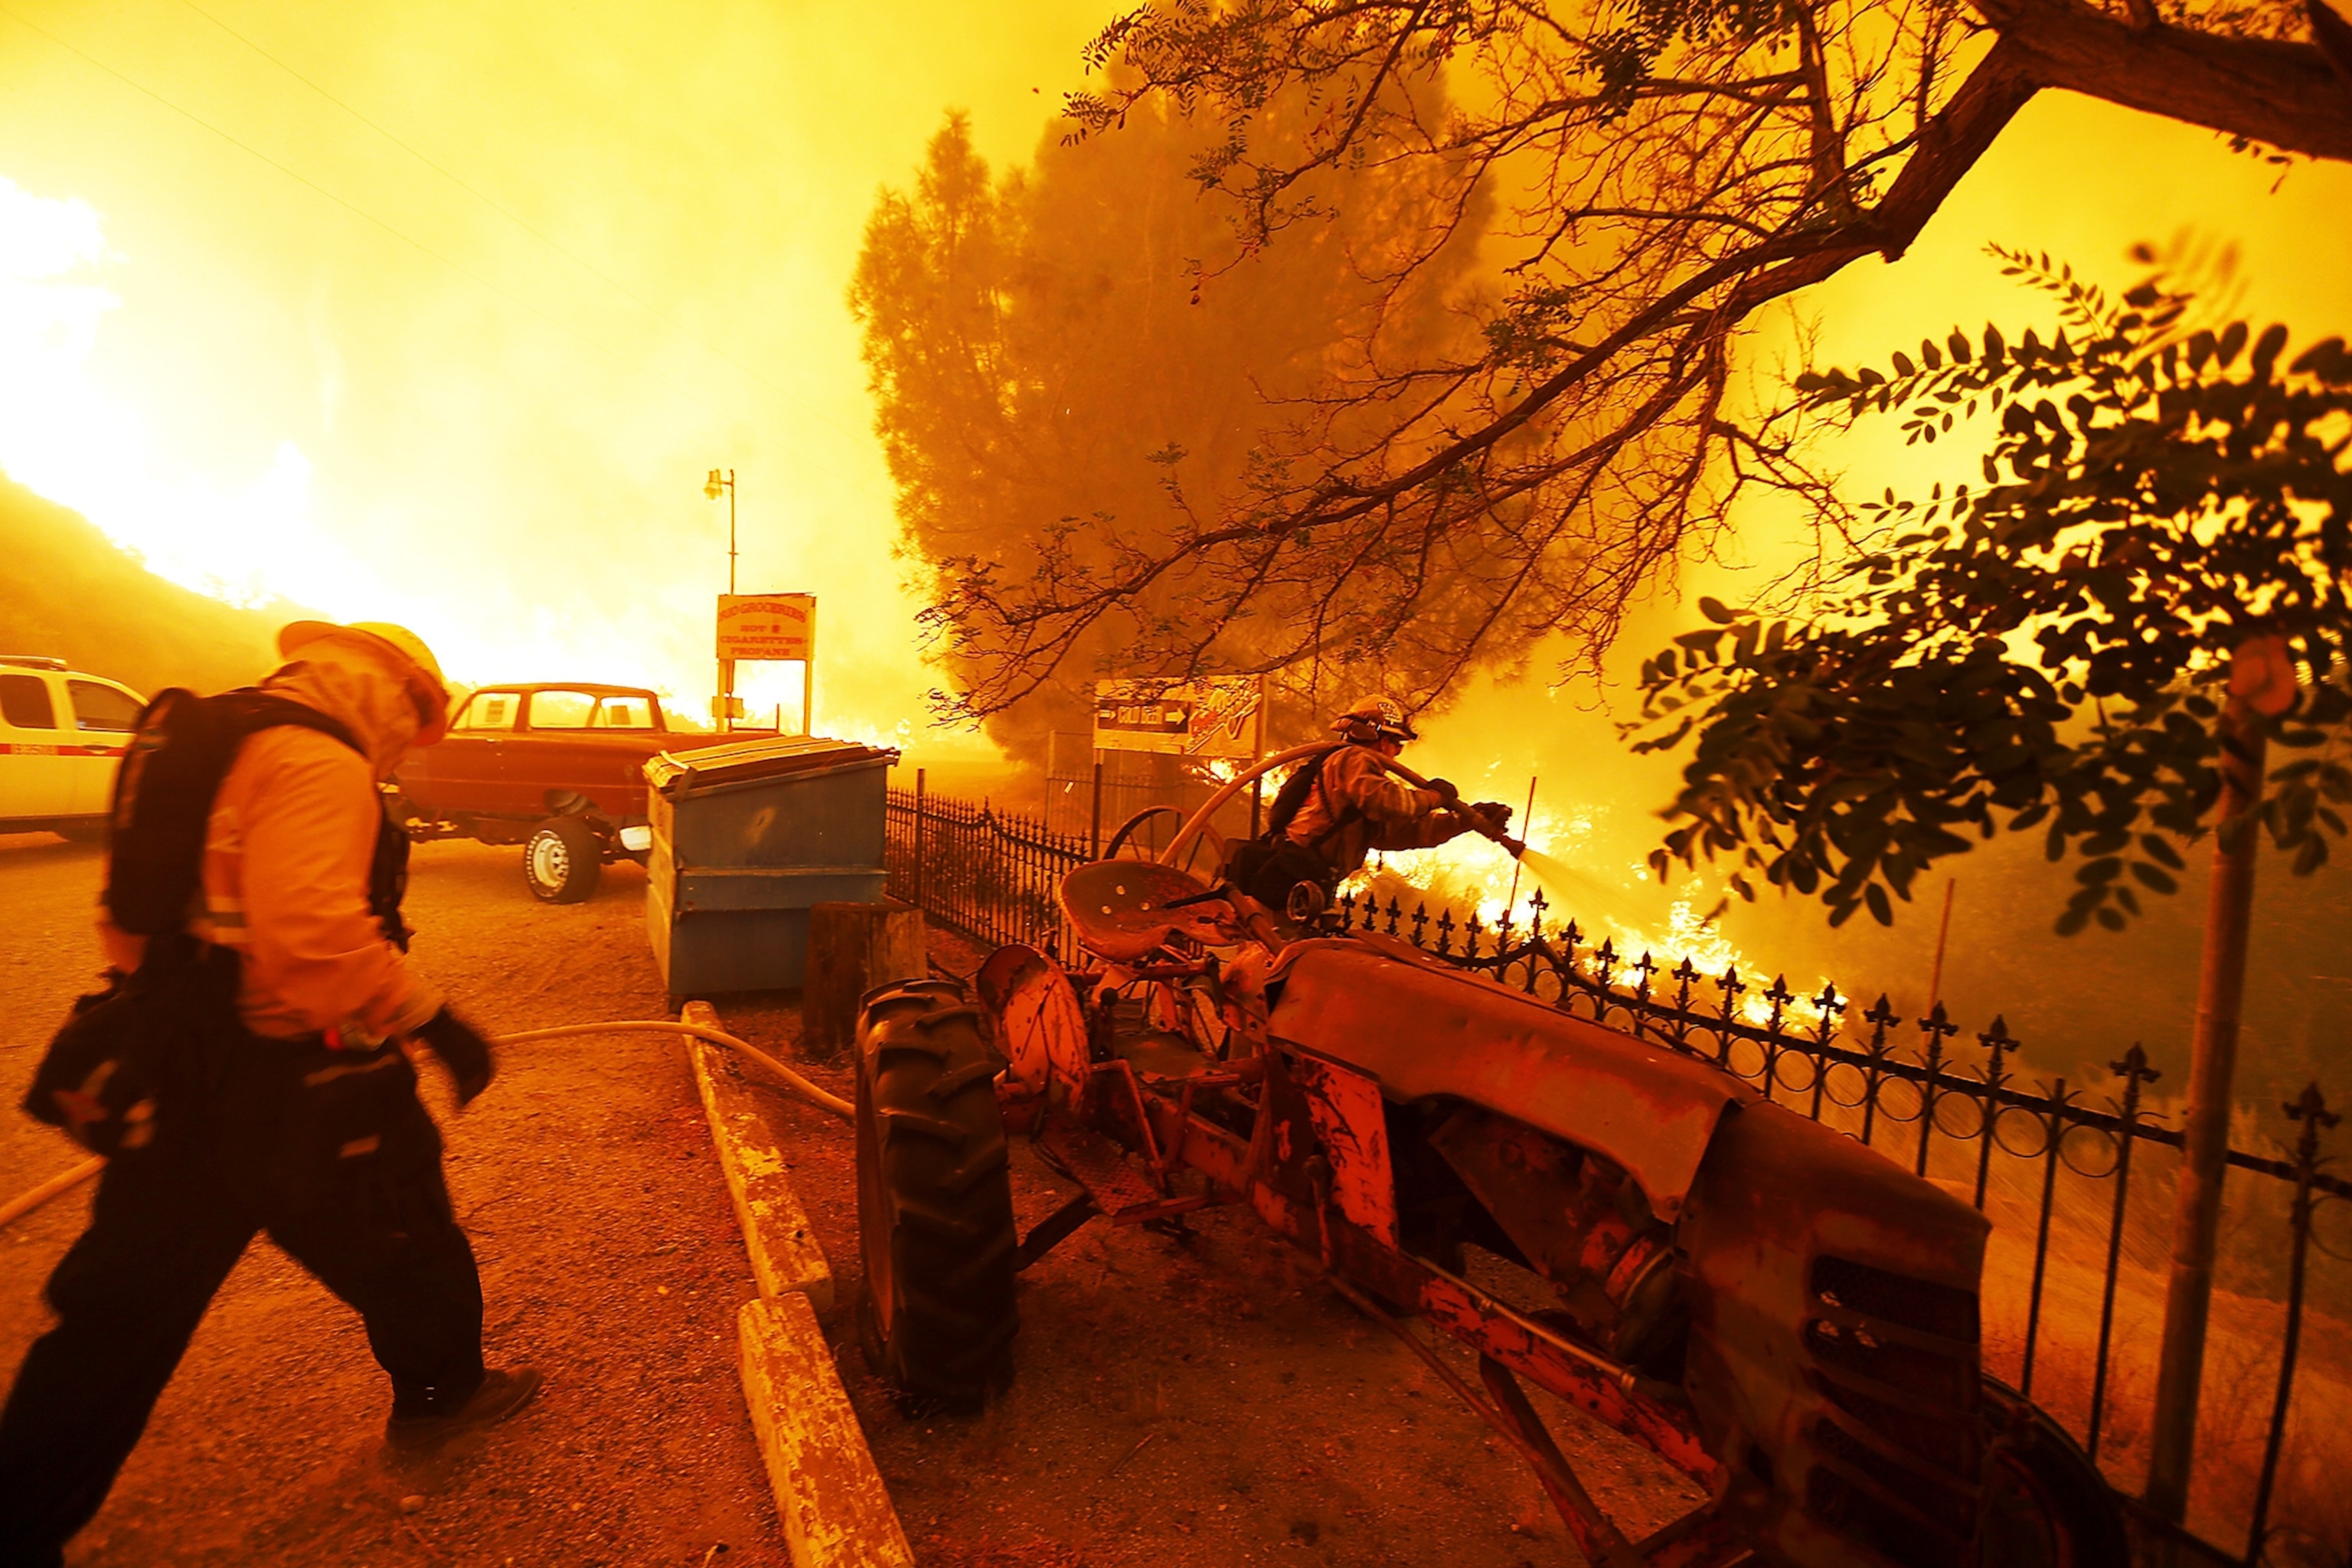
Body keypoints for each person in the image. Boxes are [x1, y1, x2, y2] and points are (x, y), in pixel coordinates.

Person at [0, 620, 537, 1567]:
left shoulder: (216, 741)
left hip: (182, 1067)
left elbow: (129, 915)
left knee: (116, 1317)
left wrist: (185, 1011)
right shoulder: (319, 762)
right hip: (300, 1072)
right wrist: (432, 1017)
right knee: (408, 1232)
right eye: (415, 726)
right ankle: (441, 1396)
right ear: (396, 695)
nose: (405, 748)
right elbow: (309, 935)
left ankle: (17, 1519)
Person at [1232, 695, 1514, 914]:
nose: (1397, 753)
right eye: (1396, 743)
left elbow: (1407, 832)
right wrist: (1435, 797)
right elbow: (1388, 803)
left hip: (1308, 882)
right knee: (1271, 968)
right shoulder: (1354, 759)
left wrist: (1464, 820)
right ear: (1377, 738)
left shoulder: (1356, 789)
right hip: (1288, 877)